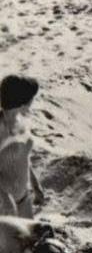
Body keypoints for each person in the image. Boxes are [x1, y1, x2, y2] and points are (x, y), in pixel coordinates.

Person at [0, 75, 45, 219]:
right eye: (31, 98)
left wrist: (36, 186)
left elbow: (23, 156)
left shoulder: (23, 122)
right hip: (4, 203)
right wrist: (5, 198)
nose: (33, 102)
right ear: (21, 102)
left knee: (29, 240)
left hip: (23, 198)